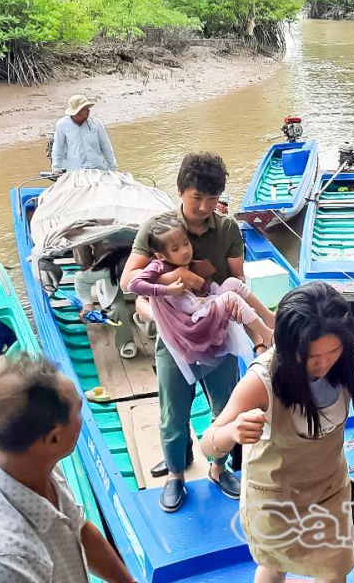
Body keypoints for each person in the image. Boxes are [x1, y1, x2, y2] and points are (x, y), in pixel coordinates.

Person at [200, 282, 354, 583]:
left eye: (332, 350)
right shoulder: (261, 381)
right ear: (287, 346)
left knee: (336, 568)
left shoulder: (353, 357)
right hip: (274, 499)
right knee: (273, 566)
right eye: (311, 355)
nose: (322, 363)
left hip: (329, 490)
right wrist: (232, 431)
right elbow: (208, 444)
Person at [121, 152, 261, 510]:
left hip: (217, 333)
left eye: (212, 199)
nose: (203, 206)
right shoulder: (157, 227)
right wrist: (173, 281)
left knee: (226, 407)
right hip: (174, 339)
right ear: (181, 191)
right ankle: (175, 475)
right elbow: (128, 283)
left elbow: (237, 278)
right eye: (196, 197)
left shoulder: (227, 228)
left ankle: (218, 467)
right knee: (174, 413)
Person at [0, 355, 134, 583]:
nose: (82, 417)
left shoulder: (27, 462)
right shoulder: (2, 561)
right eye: (78, 410)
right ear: (54, 439)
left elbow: (78, 528)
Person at [126, 214, 274, 372]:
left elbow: (209, 285)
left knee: (233, 283)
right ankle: (266, 335)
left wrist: (204, 293)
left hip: (199, 307)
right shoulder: (158, 267)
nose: (184, 251)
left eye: (186, 244)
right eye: (175, 249)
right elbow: (133, 284)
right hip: (191, 322)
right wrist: (167, 289)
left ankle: (270, 318)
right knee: (231, 298)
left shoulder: (191, 263)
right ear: (161, 255)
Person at [73, 242, 137, 359]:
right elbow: (80, 279)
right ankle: (126, 341)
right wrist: (87, 304)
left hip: (140, 277)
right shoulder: (107, 268)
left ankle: (147, 323)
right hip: (112, 278)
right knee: (119, 309)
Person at [51, 95, 118, 174]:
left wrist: (113, 168)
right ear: (77, 112)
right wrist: (56, 168)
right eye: (85, 109)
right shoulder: (62, 125)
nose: (88, 111)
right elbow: (58, 148)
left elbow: (106, 146)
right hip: (75, 172)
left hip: (98, 170)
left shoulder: (96, 123)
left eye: (88, 108)